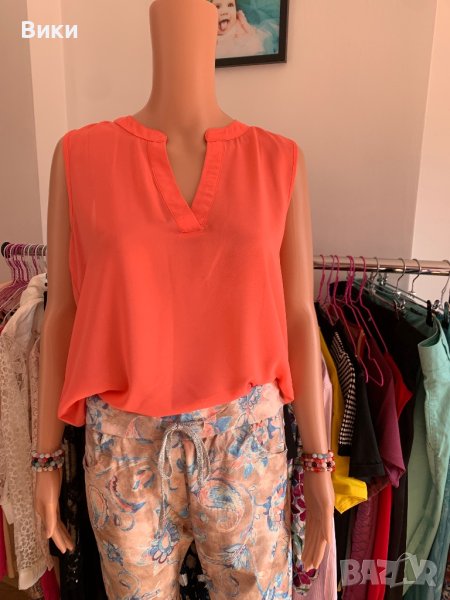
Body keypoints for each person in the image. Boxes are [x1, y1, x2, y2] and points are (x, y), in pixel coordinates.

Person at [33, 0, 335, 597]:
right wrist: (45, 461)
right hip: (123, 446)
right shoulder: (78, 156)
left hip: (246, 438)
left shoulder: (279, 161)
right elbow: (61, 313)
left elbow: (299, 316)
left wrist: (318, 465)